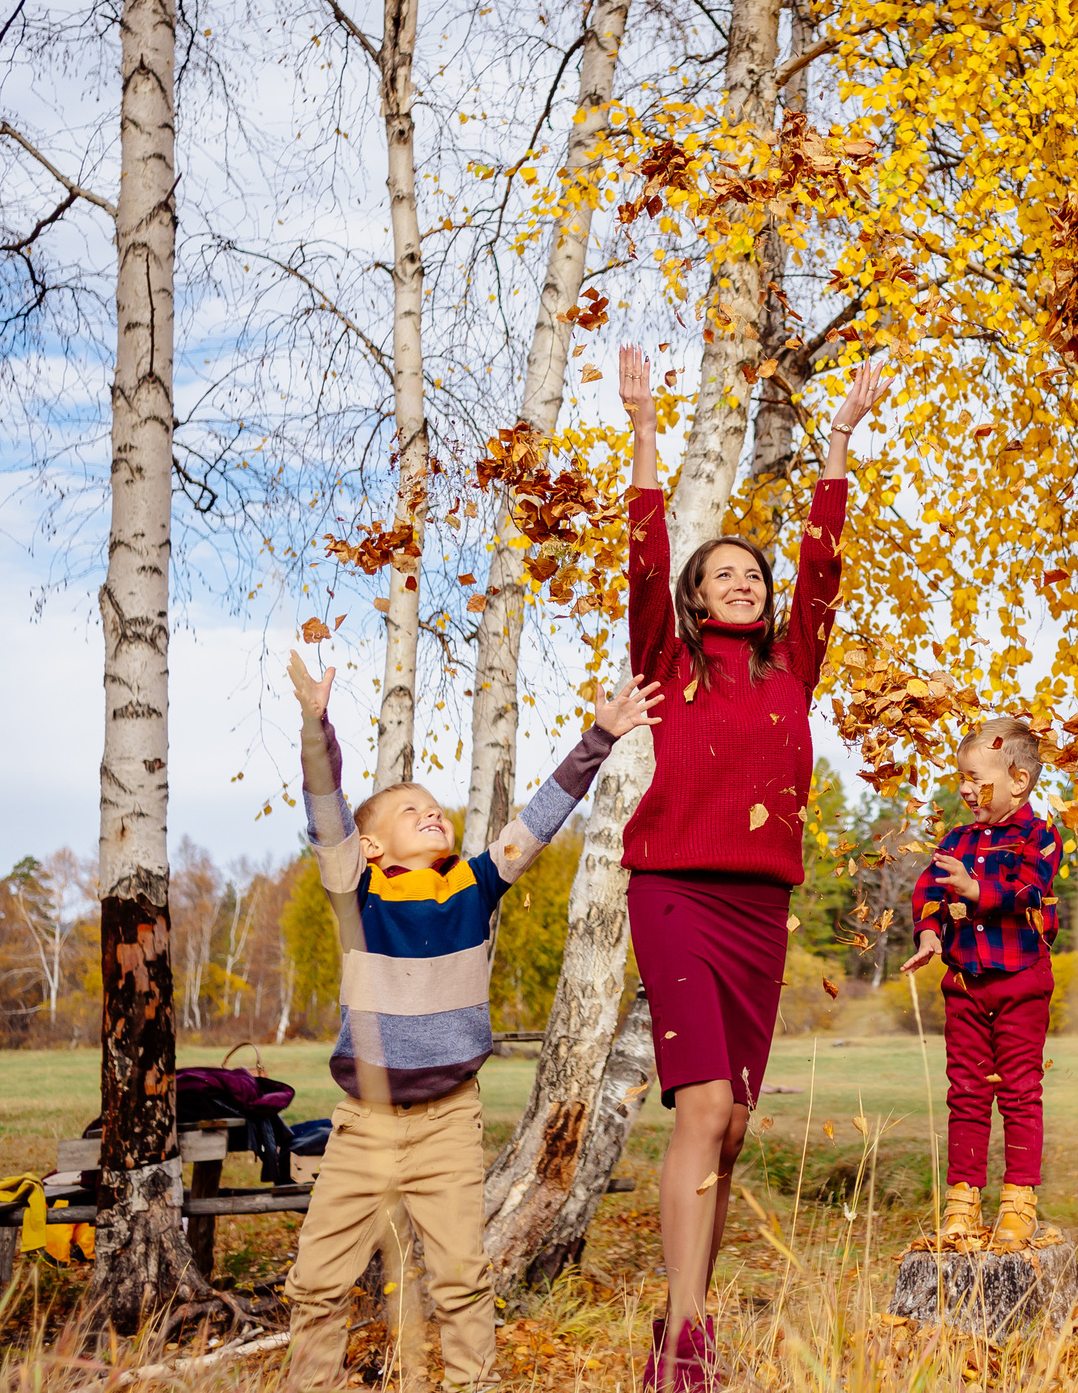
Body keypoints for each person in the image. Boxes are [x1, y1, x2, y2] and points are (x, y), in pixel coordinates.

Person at [278, 648, 661, 1392]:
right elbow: (325, 810)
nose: (431, 811)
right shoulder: (352, 891)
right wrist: (316, 724)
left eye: (435, 806)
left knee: (460, 1281)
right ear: (372, 845)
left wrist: (601, 736)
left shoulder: (477, 884)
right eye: (409, 809)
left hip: (450, 1124)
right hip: (364, 1123)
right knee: (317, 1281)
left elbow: (542, 816)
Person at [616, 346, 886, 1390]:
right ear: (693, 598)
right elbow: (643, 561)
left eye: (753, 574)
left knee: (730, 1126)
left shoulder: (789, 667)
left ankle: (684, 1315)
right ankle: (687, 1343)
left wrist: (839, 444)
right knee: (698, 1107)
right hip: (676, 890)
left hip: (759, 910)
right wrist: (644, 426)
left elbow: (822, 564)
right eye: (722, 572)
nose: (743, 580)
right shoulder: (668, 663)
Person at [899, 715, 1062, 1253]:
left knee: (1019, 1092)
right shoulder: (956, 838)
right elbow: (928, 892)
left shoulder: (1039, 835)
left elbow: (1032, 891)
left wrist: (978, 888)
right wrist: (929, 934)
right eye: (961, 778)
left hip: (1020, 981)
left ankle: (1018, 1201)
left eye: (976, 777)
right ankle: (962, 1201)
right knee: (966, 1093)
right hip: (966, 985)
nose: (965, 788)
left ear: (1018, 780)